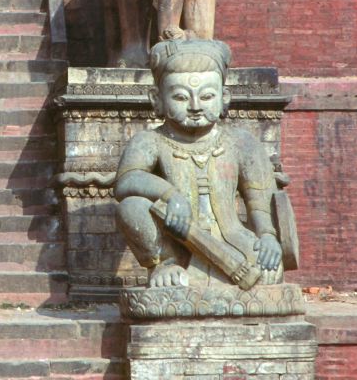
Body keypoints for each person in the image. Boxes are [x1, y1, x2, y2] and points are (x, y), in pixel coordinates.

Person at [114, 35, 284, 291]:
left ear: (224, 97)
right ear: (157, 99)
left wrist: (269, 237)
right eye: (181, 98)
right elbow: (127, 180)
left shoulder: (241, 143)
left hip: (235, 243)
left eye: (206, 97)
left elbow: (260, 199)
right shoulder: (150, 141)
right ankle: (164, 265)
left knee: (268, 273)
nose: (195, 106)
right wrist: (171, 195)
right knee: (132, 206)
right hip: (179, 245)